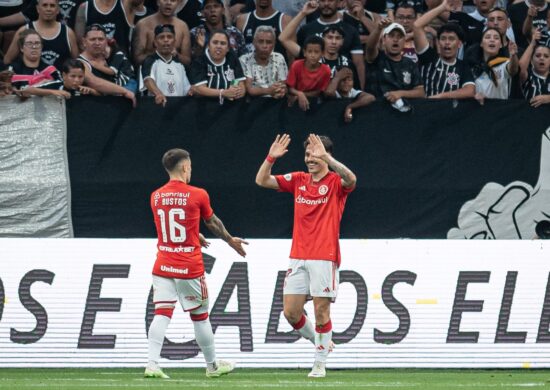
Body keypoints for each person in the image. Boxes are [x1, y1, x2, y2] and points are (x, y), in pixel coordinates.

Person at [255, 133, 356, 378]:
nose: (310, 159)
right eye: (307, 154)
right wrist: (271, 157)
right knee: (291, 312)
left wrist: (328, 158)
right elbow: (262, 180)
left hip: (324, 255)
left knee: (322, 312)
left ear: (325, 155)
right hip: (298, 256)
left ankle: (319, 363)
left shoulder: (335, 182)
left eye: (314, 154)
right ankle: (323, 344)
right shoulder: (299, 180)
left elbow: (351, 178)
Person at [147, 148, 248, 379]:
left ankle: (152, 364)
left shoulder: (155, 196)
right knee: (200, 316)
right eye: (190, 166)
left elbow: (170, 226)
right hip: (188, 266)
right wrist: (230, 240)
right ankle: (212, 366)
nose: (190, 170)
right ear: (184, 167)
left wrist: (194, 234)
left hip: (163, 264)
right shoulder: (198, 194)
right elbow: (211, 222)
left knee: (161, 313)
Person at [295, 0, 365, 90]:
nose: (326, 4)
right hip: (312, 88)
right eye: (323, 0)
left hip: (343, 89)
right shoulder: (306, 30)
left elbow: (359, 64)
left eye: (331, 0)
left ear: (339, 3)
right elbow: (297, 60)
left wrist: (360, 91)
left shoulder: (350, 30)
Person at [413, 0, 475, 99]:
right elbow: (417, 26)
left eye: (451, 39)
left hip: (450, 113)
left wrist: (440, 97)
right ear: (437, 42)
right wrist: (442, 7)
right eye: (443, 38)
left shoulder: (463, 66)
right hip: (426, 112)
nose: (447, 42)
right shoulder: (428, 58)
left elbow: (470, 91)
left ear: (459, 44)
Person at [365, 20, 425, 109]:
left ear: (404, 41)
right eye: (391, 36)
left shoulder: (410, 64)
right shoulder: (377, 58)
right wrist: (379, 28)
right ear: (384, 40)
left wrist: (400, 93)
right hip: (376, 111)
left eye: (399, 36)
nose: (395, 40)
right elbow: (370, 47)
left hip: (403, 113)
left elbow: (420, 92)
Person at [3, 0, 78, 70]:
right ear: (38, 8)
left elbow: (76, 64)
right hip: (30, 82)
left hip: (59, 82)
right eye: (44, 5)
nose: (48, 9)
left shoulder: (68, 33)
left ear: (58, 9)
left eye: (52, 6)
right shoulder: (24, 31)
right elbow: (7, 60)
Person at [77, 24, 136, 104]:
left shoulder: (113, 55)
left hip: (120, 106)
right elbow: (95, 82)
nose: (97, 43)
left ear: (106, 41)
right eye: (92, 39)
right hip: (94, 107)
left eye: (101, 39)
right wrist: (125, 91)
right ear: (84, 42)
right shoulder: (81, 63)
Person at [189, 29, 246, 103]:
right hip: (205, 108)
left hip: (230, 107)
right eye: (215, 42)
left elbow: (241, 84)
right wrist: (223, 93)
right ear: (208, 45)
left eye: (223, 43)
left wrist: (236, 92)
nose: (218, 46)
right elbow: (200, 89)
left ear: (228, 48)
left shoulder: (232, 58)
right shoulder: (199, 61)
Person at [140, 24, 191, 105]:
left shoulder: (179, 64)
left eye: (169, 37)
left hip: (177, 110)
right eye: (161, 37)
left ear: (174, 41)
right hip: (156, 108)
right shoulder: (149, 61)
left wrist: (194, 90)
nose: (166, 40)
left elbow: (187, 89)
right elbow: (148, 80)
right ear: (155, 42)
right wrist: (158, 94)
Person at [132, 0, 192, 65]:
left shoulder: (183, 27)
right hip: (149, 72)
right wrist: (157, 54)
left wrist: (176, 55)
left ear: (178, 4)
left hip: (175, 72)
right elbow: (136, 59)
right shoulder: (143, 24)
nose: (168, 3)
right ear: (158, 2)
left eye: (173, 0)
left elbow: (187, 61)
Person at [238, 25, 287, 98]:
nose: (264, 46)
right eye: (260, 42)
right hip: (252, 103)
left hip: (275, 102)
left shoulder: (279, 58)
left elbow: (283, 85)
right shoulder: (244, 60)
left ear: (274, 44)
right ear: (254, 42)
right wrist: (269, 91)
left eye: (269, 42)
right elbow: (250, 89)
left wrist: (281, 91)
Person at [472, 27, 518, 104]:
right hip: (477, 110)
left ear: (500, 45)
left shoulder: (504, 63)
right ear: (481, 44)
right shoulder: (474, 67)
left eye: (496, 38)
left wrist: (513, 56)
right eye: (487, 37)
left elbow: (513, 69)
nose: (492, 40)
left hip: (499, 110)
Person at [286, 35, 331, 111]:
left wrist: (301, 95)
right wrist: (299, 94)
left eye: (316, 52)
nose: (313, 55)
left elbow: (319, 92)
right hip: (293, 101)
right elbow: (290, 88)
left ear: (322, 53)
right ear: (304, 53)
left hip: (314, 104)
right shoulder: (296, 65)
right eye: (310, 51)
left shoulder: (326, 70)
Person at [518, 29, 550, 107]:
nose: (542, 58)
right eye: (538, 55)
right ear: (531, 61)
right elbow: (520, 69)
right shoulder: (528, 75)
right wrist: (532, 44)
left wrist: (548, 98)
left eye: (546, 56)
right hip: (530, 117)